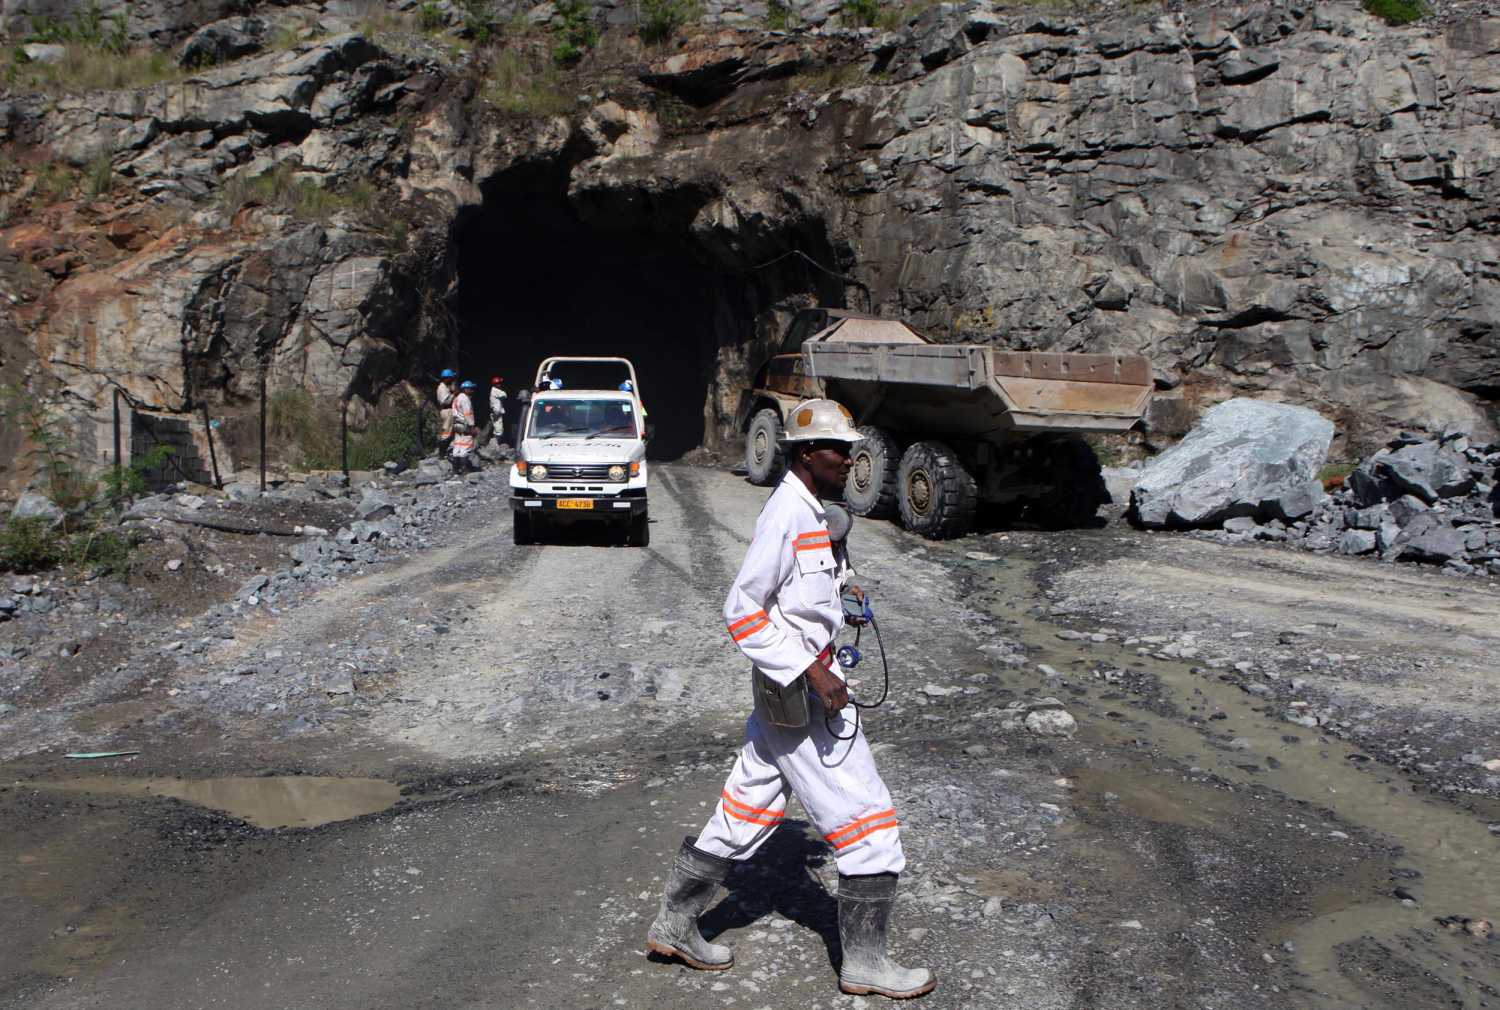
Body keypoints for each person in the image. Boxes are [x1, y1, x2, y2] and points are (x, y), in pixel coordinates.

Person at [644, 399, 934, 1001]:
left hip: (790, 698)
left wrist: (842, 584)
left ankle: (674, 925)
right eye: (839, 450)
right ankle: (866, 964)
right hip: (805, 697)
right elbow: (742, 611)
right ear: (806, 454)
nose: (850, 459)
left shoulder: (812, 513)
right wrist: (813, 670)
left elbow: (803, 591)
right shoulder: (785, 514)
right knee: (869, 826)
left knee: (745, 810)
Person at [450, 380, 478, 472]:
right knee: (466, 446)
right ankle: (464, 468)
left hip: (456, 424)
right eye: (471, 389)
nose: (472, 390)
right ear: (466, 389)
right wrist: (472, 427)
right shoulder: (465, 399)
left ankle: (455, 469)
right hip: (464, 425)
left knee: (457, 446)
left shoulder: (456, 398)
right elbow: (468, 414)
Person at [435, 369, 457, 458]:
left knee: (449, 430)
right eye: (451, 377)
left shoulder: (446, 386)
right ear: (446, 378)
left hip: (448, 410)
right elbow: (445, 401)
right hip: (446, 410)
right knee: (446, 432)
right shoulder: (442, 387)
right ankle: (442, 454)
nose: (452, 379)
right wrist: (453, 395)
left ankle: (445, 451)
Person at [489, 376, 508, 451]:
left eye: (500, 383)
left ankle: (495, 445)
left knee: (498, 430)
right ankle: (495, 446)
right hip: (496, 413)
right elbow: (505, 395)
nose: (499, 385)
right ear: (495, 384)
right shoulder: (495, 390)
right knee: (499, 430)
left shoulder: (495, 390)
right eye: (498, 383)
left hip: (496, 413)